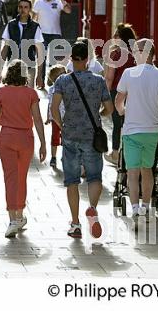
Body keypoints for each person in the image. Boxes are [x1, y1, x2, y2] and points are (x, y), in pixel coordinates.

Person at [51, 42, 113, 239]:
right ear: (88, 60)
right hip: (91, 135)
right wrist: (98, 115)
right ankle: (92, 208)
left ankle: (75, 224)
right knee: (94, 177)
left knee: (72, 181)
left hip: (70, 135)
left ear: (72, 59)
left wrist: (62, 125)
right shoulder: (98, 81)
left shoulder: (62, 80)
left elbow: (54, 109)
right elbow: (109, 108)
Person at [115, 38, 158, 222]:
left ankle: (134, 209)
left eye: (135, 51)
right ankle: (145, 207)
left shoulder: (128, 73)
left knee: (132, 171)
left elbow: (119, 101)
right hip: (151, 131)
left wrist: (123, 111)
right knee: (147, 169)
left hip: (132, 130)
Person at [0, 59, 46, 238]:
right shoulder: (30, 94)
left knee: (10, 178)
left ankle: (12, 219)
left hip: (7, 136)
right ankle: (20, 215)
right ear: (25, 75)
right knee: (21, 177)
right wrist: (43, 143)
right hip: (25, 138)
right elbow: (37, 119)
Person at [104, 22, 137, 165]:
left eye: (116, 35)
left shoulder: (116, 53)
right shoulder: (137, 53)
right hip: (134, 93)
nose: (113, 37)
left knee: (117, 123)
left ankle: (116, 153)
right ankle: (130, 153)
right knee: (130, 123)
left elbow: (109, 77)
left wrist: (104, 96)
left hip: (117, 93)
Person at [0, 0, 44, 89]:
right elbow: (5, 49)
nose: (23, 9)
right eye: (20, 7)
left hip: (29, 68)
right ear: (18, 8)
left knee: (27, 99)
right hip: (12, 68)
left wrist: (39, 75)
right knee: (12, 99)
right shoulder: (11, 25)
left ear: (30, 9)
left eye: (26, 7)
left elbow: (40, 53)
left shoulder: (35, 26)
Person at [33, 0, 71, 88]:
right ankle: (41, 81)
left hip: (55, 33)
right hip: (42, 33)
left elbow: (68, 10)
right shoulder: (38, 2)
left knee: (54, 59)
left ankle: (51, 80)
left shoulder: (58, 1)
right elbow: (34, 16)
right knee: (41, 58)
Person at [45, 64, 66, 168]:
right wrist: (48, 116)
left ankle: (65, 156)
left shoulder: (69, 87)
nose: (64, 75)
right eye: (61, 74)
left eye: (64, 73)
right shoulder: (52, 89)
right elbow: (50, 103)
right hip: (56, 118)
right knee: (55, 137)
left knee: (66, 139)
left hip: (67, 118)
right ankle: (53, 157)